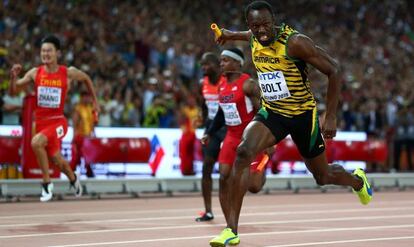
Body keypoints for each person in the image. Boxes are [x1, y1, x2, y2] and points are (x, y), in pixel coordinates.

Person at [209, 1, 373, 246]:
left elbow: (334, 70)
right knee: (243, 152)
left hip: (302, 116)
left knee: (323, 175)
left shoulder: (295, 42)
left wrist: (331, 116)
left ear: (273, 21)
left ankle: (358, 180)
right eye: (255, 26)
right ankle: (231, 230)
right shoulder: (254, 36)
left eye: (266, 24)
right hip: (273, 113)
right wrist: (230, 34)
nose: (261, 30)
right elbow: (249, 35)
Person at [9, 35, 100, 202]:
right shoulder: (35, 73)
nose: (45, 54)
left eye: (49, 50)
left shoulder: (68, 72)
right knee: (58, 161)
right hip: (41, 124)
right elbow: (13, 92)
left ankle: (46, 185)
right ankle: (73, 179)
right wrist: (13, 78)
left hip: (58, 122)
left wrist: (95, 102)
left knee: (36, 142)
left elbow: (86, 78)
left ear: (57, 53)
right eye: (43, 51)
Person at [202, 48, 272, 238]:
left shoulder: (248, 84)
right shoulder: (222, 86)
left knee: (254, 187)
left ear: (237, 63)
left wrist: (267, 139)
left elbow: (265, 111)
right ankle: (230, 226)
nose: (221, 64)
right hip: (231, 136)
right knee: (224, 176)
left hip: (250, 137)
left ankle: (263, 163)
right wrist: (209, 132)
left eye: (225, 61)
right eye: (221, 61)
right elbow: (220, 113)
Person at [195, 52, 227, 222]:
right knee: (207, 166)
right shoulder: (202, 83)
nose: (203, 68)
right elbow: (204, 104)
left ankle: (230, 207)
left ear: (216, 65)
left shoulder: (226, 80)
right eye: (202, 64)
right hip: (211, 128)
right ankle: (208, 211)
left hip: (228, 126)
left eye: (206, 64)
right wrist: (203, 118)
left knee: (226, 171)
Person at [71, 90, 97, 177]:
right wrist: (74, 135)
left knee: (87, 157)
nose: (87, 99)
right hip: (80, 137)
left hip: (88, 138)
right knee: (77, 157)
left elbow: (92, 123)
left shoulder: (91, 109)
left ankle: (88, 173)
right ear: (81, 98)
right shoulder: (78, 109)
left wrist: (94, 133)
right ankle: (71, 172)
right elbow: (74, 123)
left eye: (88, 97)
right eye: (85, 97)